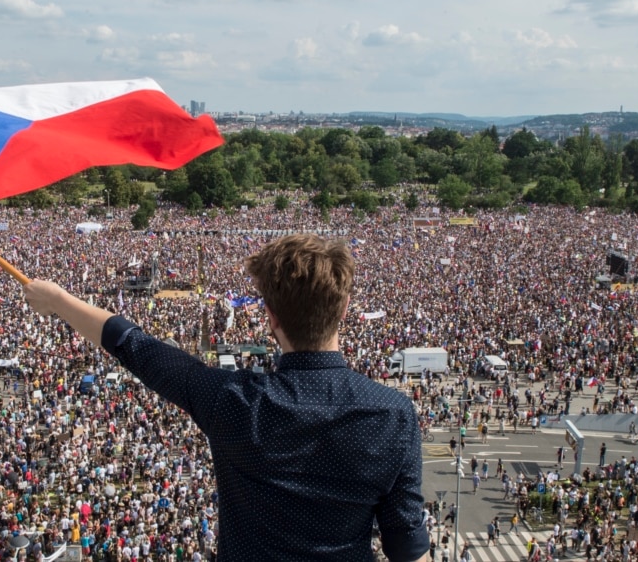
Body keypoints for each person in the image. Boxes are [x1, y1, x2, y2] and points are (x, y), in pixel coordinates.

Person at [22, 234, 431, 561]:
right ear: (343, 309)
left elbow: (135, 345)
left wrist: (58, 301)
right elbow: (408, 549)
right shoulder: (393, 415)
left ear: (269, 314)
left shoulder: (233, 401)